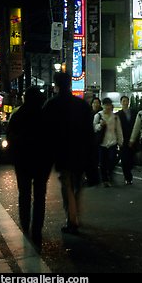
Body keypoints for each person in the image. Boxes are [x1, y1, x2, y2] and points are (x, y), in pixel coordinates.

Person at [42, 72, 97, 234]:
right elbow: (89, 132)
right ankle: (76, 214)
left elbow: (45, 132)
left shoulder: (51, 104)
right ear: (71, 84)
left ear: (56, 85)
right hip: (81, 151)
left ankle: (72, 219)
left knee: (67, 184)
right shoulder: (81, 105)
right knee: (77, 183)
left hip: (62, 152)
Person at [6, 86, 53, 247]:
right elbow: (51, 140)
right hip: (41, 162)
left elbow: (10, 137)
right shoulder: (45, 115)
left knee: (24, 193)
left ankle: (25, 224)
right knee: (40, 196)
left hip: (23, 161)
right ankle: (37, 229)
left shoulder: (18, 115)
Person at [94, 97, 123, 187]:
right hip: (102, 143)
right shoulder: (98, 116)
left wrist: (120, 141)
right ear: (102, 106)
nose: (107, 107)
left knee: (112, 160)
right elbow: (94, 128)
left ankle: (109, 173)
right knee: (102, 162)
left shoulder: (115, 117)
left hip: (112, 142)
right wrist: (100, 125)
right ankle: (105, 180)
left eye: (109, 105)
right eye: (106, 105)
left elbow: (118, 130)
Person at [116, 95, 137, 185]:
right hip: (123, 139)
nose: (125, 103)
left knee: (131, 158)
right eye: (123, 101)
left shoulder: (134, 113)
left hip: (132, 138)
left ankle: (129, 172)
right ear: (121, 103)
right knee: (124, 159)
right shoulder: (118, 114)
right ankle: (127, 177)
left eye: (126, 101)